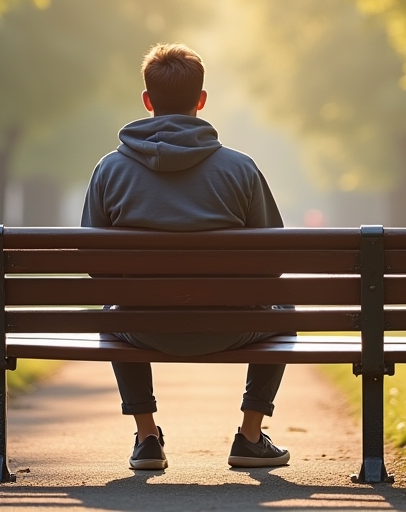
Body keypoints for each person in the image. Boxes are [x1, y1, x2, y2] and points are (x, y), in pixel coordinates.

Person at [82, 43, 290, 472]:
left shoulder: (110, 170)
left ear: (147, 101)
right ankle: (250, 437)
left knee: (113, 305)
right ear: (201, 101)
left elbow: (95, 266)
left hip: (141, 328)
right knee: (285, 308)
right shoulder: (240, 169)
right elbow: (274, 261)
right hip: (232, 327)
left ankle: (146, 438)